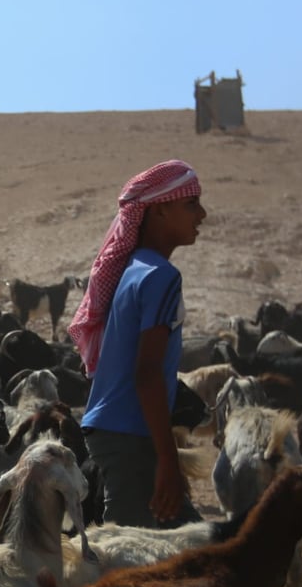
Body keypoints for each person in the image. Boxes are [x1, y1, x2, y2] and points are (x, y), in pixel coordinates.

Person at [68, 159, 208, 527]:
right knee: (131, 562)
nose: (202, 214)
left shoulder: (135, 268)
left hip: (117, 429)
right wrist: (167, 460)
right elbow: (146, 374)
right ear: (160, 209)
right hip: (130, 434)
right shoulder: (161, 277)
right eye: (191, 204)